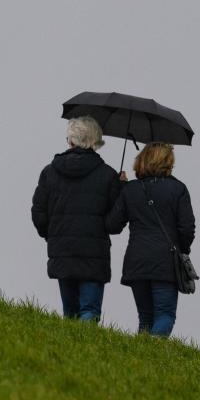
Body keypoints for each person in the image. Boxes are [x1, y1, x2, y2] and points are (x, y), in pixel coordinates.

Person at [31, 116, 122, 321]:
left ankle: (69, 352)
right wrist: (121, 189)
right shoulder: (108, 176)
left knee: (69, 314)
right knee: (89, 311)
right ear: (95, 141)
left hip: (62, 250)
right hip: (94, 254)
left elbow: (38, 214)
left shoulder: (49, 172)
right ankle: (87, 351)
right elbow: (114, 224)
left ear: (71, 140)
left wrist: (51, 234)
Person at [106, 142, 195, 337]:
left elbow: (112, 225)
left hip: (136, 261)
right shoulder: (178, 189)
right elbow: (187, 229)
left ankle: (142, 361)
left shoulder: (130, 190)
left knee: (145, 317)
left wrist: (119, 189)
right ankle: (152, 349)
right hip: (166, 261)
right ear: (168, 162)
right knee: (165, 315)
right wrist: (183, 250)